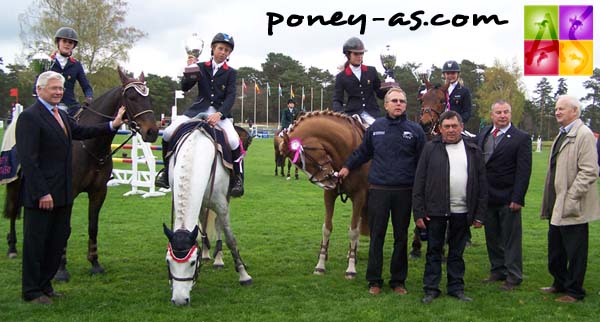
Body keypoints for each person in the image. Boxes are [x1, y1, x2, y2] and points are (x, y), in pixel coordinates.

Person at [16, 71, 125, 304]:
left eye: (60, 89)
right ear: (40, 90)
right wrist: (41, 192)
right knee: (37, 243)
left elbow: (83, 132)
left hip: (63, 193)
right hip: (42, 194)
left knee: (56, 240)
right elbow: (29, 160)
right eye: (53, 88)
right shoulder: (30, 117)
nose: (58, 92)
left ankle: (46, 286)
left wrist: (112, 124)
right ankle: (31, 291)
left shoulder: (62, 116)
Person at [338, 88, 426, 295]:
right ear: (386, 105)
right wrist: (346, 167)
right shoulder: (376, 128)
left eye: (402, 101)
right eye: (394, 101)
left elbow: (423, 163)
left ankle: (398, 281)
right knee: (376, 236)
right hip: (378, 190)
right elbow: (362, 152)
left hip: (404, 192)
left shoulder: (415, 131)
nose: (398, 104)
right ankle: (374, 280)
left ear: (406, 105)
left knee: (400, 237)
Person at [156, 32, 244, 197]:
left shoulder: (231, 72)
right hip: (197, 110)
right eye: (220, 48)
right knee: (168, 133)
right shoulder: (201, 66)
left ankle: (237, 178)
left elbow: (231, 96)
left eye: (227, 50)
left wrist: (220, 114)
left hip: (219, 113)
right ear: (212, 48)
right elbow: (185, 87)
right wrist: (190, 70)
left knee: (233, 140)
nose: (223, 52)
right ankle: (166, 172)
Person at [412, 110, 487, 304]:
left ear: (462, 127)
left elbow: (482, 184)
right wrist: (418, 212)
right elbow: (419, 181)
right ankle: (431, 289)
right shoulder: (430, 149)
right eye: (447, 126)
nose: (451, 130)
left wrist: (479, 214)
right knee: (434, 251)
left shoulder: (473, 150)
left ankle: (456, 288)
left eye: (455, 126)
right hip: (435, 210)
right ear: (440, 129)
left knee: (457, 252)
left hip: (462, 211)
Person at [540, 95, 600, 303]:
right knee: (556, 248)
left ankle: (574, 291)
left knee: (575, 251)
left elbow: (590, 171)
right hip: (557, 202)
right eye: (556, 108)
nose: (557, 112)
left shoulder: (583, 135)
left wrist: (572, 197)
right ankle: (559, 283)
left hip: (574, 205)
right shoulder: (563, 134)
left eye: (562, 109)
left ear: (575, 111)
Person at [477, 100, 532, 291]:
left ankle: (514, 275)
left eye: (506, 112)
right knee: (492, 237)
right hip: (487, 197)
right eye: (498, 112)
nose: (502, 116)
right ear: (491, 115)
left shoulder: (521, 137)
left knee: (510, 239)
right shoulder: (483, 134)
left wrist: (518, 198)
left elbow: (524, 171)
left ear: (511, 114)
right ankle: (497, 270)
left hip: (508, 197)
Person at [33, 27, 93, 117]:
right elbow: (36, 86)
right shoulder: (47, 62)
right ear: (58, 42)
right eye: (64, 41)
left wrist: (89, 97)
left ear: (73, 46)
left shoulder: (76, 65)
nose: (67, 44)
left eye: (70, 42)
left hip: (71, 108)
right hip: (49, 106)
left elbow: (86, 87)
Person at [332, 37, 387, 126]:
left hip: (373, 114)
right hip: (353, 115)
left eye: (361, 53)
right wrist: (341, 114)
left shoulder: (371, 71)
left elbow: (380, 94)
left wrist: (389, 86)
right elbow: (337, 100)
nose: (360, 56)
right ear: (348, 55)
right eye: (356, 54)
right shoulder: (341, 77)